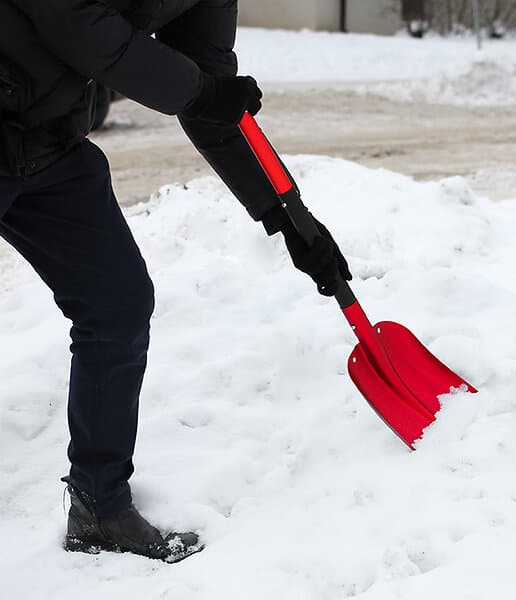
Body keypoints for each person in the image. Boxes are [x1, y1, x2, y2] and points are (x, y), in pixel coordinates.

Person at [0, 0, 351, 561]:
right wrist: (200, 92)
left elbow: (211, 94)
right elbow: (82, 25)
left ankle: (99, 506)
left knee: (116, 304)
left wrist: (287, 218)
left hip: (46, 148)